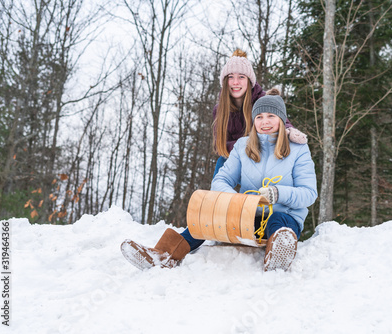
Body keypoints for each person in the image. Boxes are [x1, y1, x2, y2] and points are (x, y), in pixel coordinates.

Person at [121, 89, 317, 272]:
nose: (265, 122)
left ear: (281, 119)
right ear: (254, 120)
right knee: (206, 216)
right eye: (259, 117)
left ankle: (278, 254)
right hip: (247, 216)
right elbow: (221, 179)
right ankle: (163, 256)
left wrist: (278, 193)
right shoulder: (243, 146)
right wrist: (236, 202)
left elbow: (309, 194)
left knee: (278, 221)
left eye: (271, 116)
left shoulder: (297, 149)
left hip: (283, 217)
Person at [212, 48, 307, 177]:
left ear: (249, 81)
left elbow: (281, 121)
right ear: (224, 81)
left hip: (262, 156)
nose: (235, 82)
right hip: (237, 159)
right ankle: (217, 194)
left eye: (241, 77)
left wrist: (290, 131)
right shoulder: (220, 110)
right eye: (230, 77)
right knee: (222, 162)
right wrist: (243, 147)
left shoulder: (262, 100)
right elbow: (221, 145)